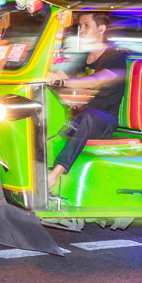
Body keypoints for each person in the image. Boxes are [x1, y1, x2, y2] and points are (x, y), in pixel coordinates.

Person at [46, 12, 127, 188]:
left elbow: (94, 81)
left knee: (87, 117)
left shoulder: (115, 57)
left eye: (86, 26)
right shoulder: (82, 57)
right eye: (80, 26)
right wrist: (50, 76)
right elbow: (61, 73)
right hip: (78, 117)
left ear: (101, 29)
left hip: (104, 120)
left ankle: (55, 174)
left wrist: (63, 82)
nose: (81, 30)